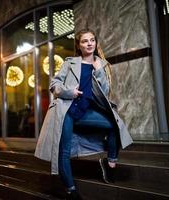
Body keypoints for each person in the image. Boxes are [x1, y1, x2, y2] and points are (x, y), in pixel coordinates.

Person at [34, 28, 133, 199]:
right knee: (64, 151)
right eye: (84, 41)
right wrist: (68, 92)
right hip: (66, 111)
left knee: (113, 126)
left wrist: (99, 70)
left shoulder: (102, 64)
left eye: (92, 40)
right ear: (78, 46)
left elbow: (105, 91)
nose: (89, 43)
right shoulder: (70, 63)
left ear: (95, 43)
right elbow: (54, 84)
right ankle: (71, 190)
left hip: (86, 112)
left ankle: (110, 162)